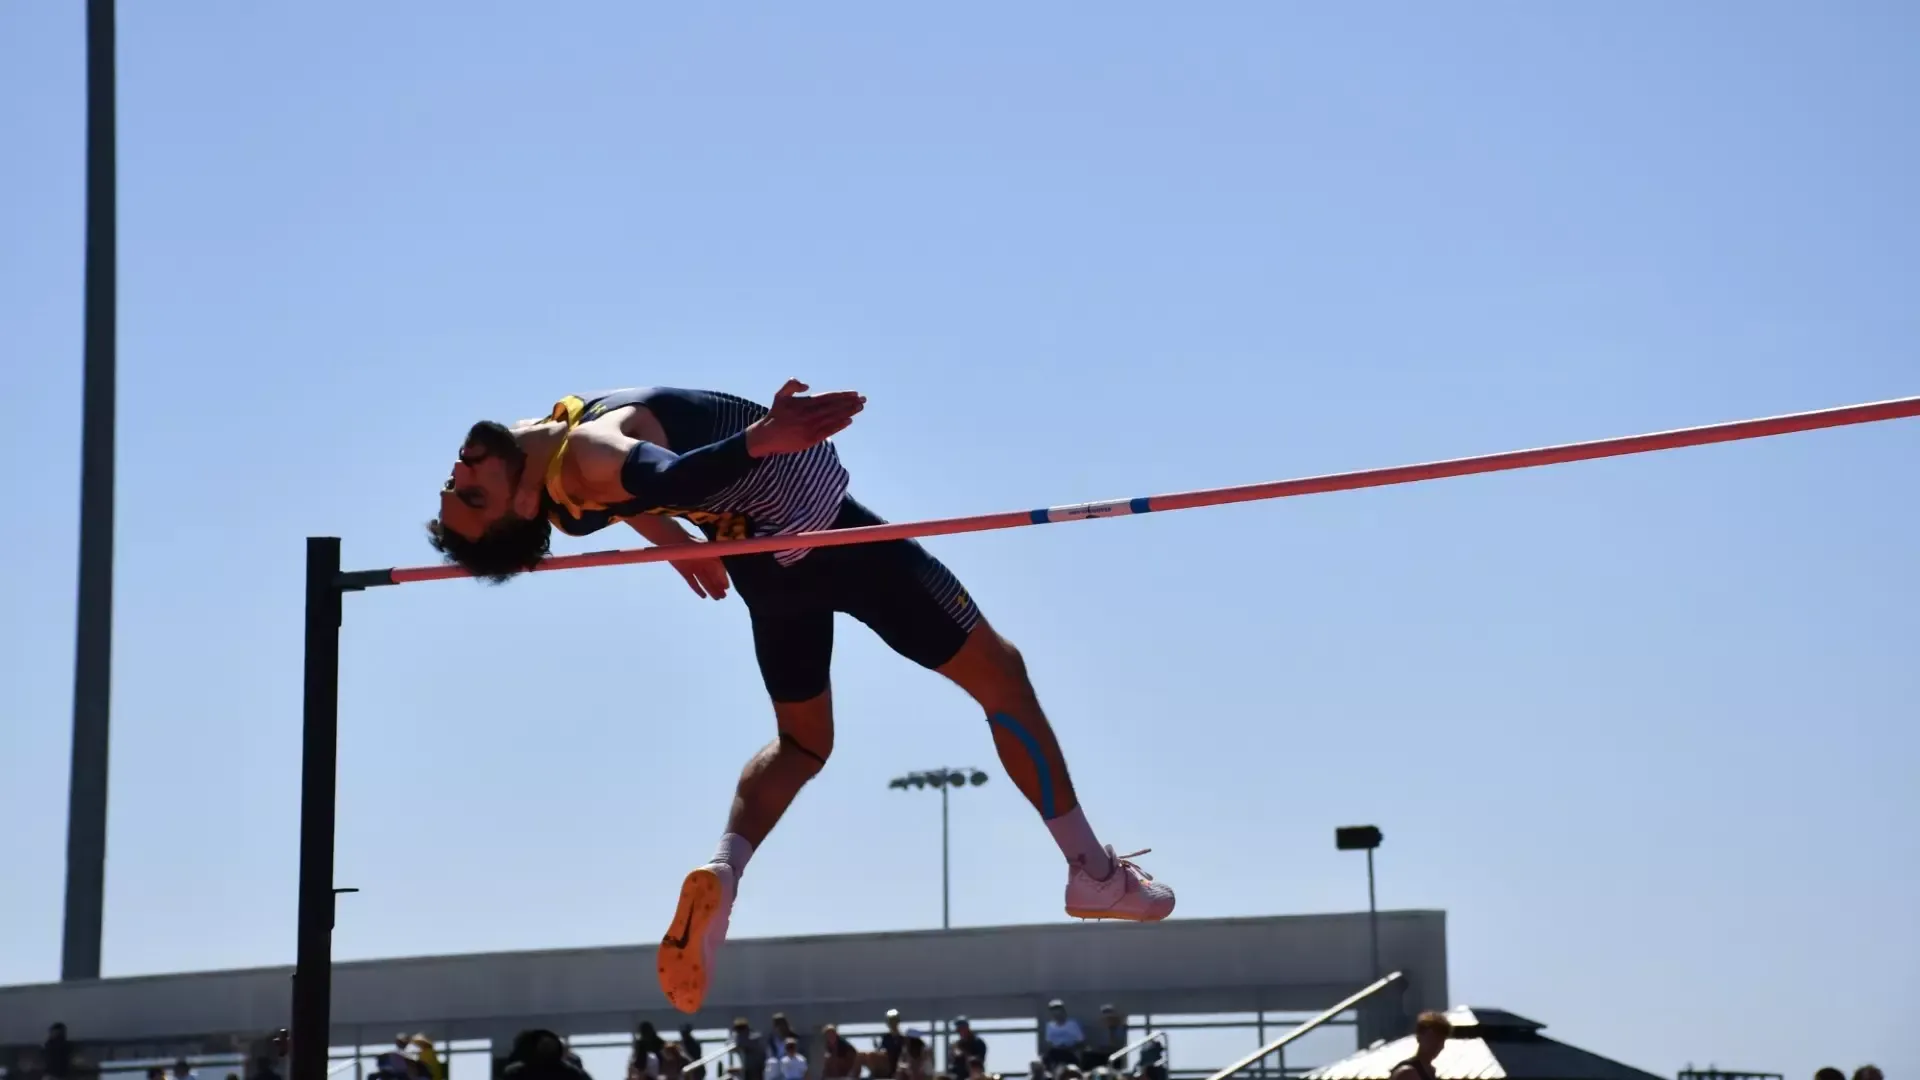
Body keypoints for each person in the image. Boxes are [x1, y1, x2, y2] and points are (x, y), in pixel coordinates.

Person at [427, 381, 1175, 1014]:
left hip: (767, 562)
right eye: (472, 494)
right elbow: (656, 476)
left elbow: (626, 498)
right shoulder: (583, 458)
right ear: (519, 507)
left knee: (804, 743)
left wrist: (670, 540)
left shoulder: (538, 461)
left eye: (455, 484)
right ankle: (1091, 872)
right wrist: (762, 439)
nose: (462, 470)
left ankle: (724, 869)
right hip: (828, 539)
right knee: (1001, 675)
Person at [1388, 1011, 1451, 1080]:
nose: (1436, 1044)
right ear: (1419, 1037)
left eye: (1441, 1039)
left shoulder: (1431, 1072)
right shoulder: (1407, 1073)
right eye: (1432, 1037)